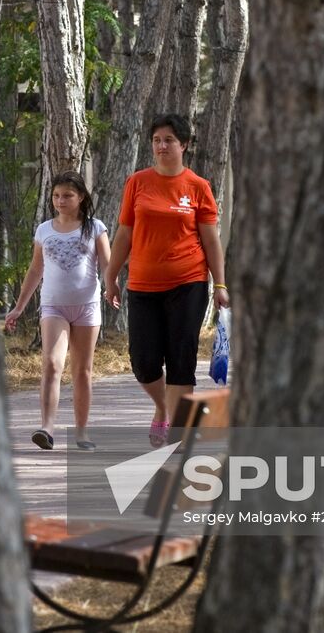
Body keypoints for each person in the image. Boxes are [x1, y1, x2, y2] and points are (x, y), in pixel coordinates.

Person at [104, 114, 229, 447]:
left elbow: (211, 239)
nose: (161, 146)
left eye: (169, 140)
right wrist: (111, 274)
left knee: (180, 357)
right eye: (157, 140)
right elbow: (125, 232)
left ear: (184, 145)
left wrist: (220, 284)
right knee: (143, 361)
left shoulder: (198, 187)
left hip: (188, 283)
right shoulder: (137, 183)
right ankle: (162, 408)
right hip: (143, 285)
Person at [5, 171, 111, 451]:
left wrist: (111, 289)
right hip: (53, 306)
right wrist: (18, 307)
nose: (60, 201)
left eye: (67, 195)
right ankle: (47, 428)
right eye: (56, 196)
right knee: (51, 364)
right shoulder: (44, 230)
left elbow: (108, 265)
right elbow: (35, 269)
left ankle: (82, 433)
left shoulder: (95, 228)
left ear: (81, 198)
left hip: (87, 307)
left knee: (82, 372)